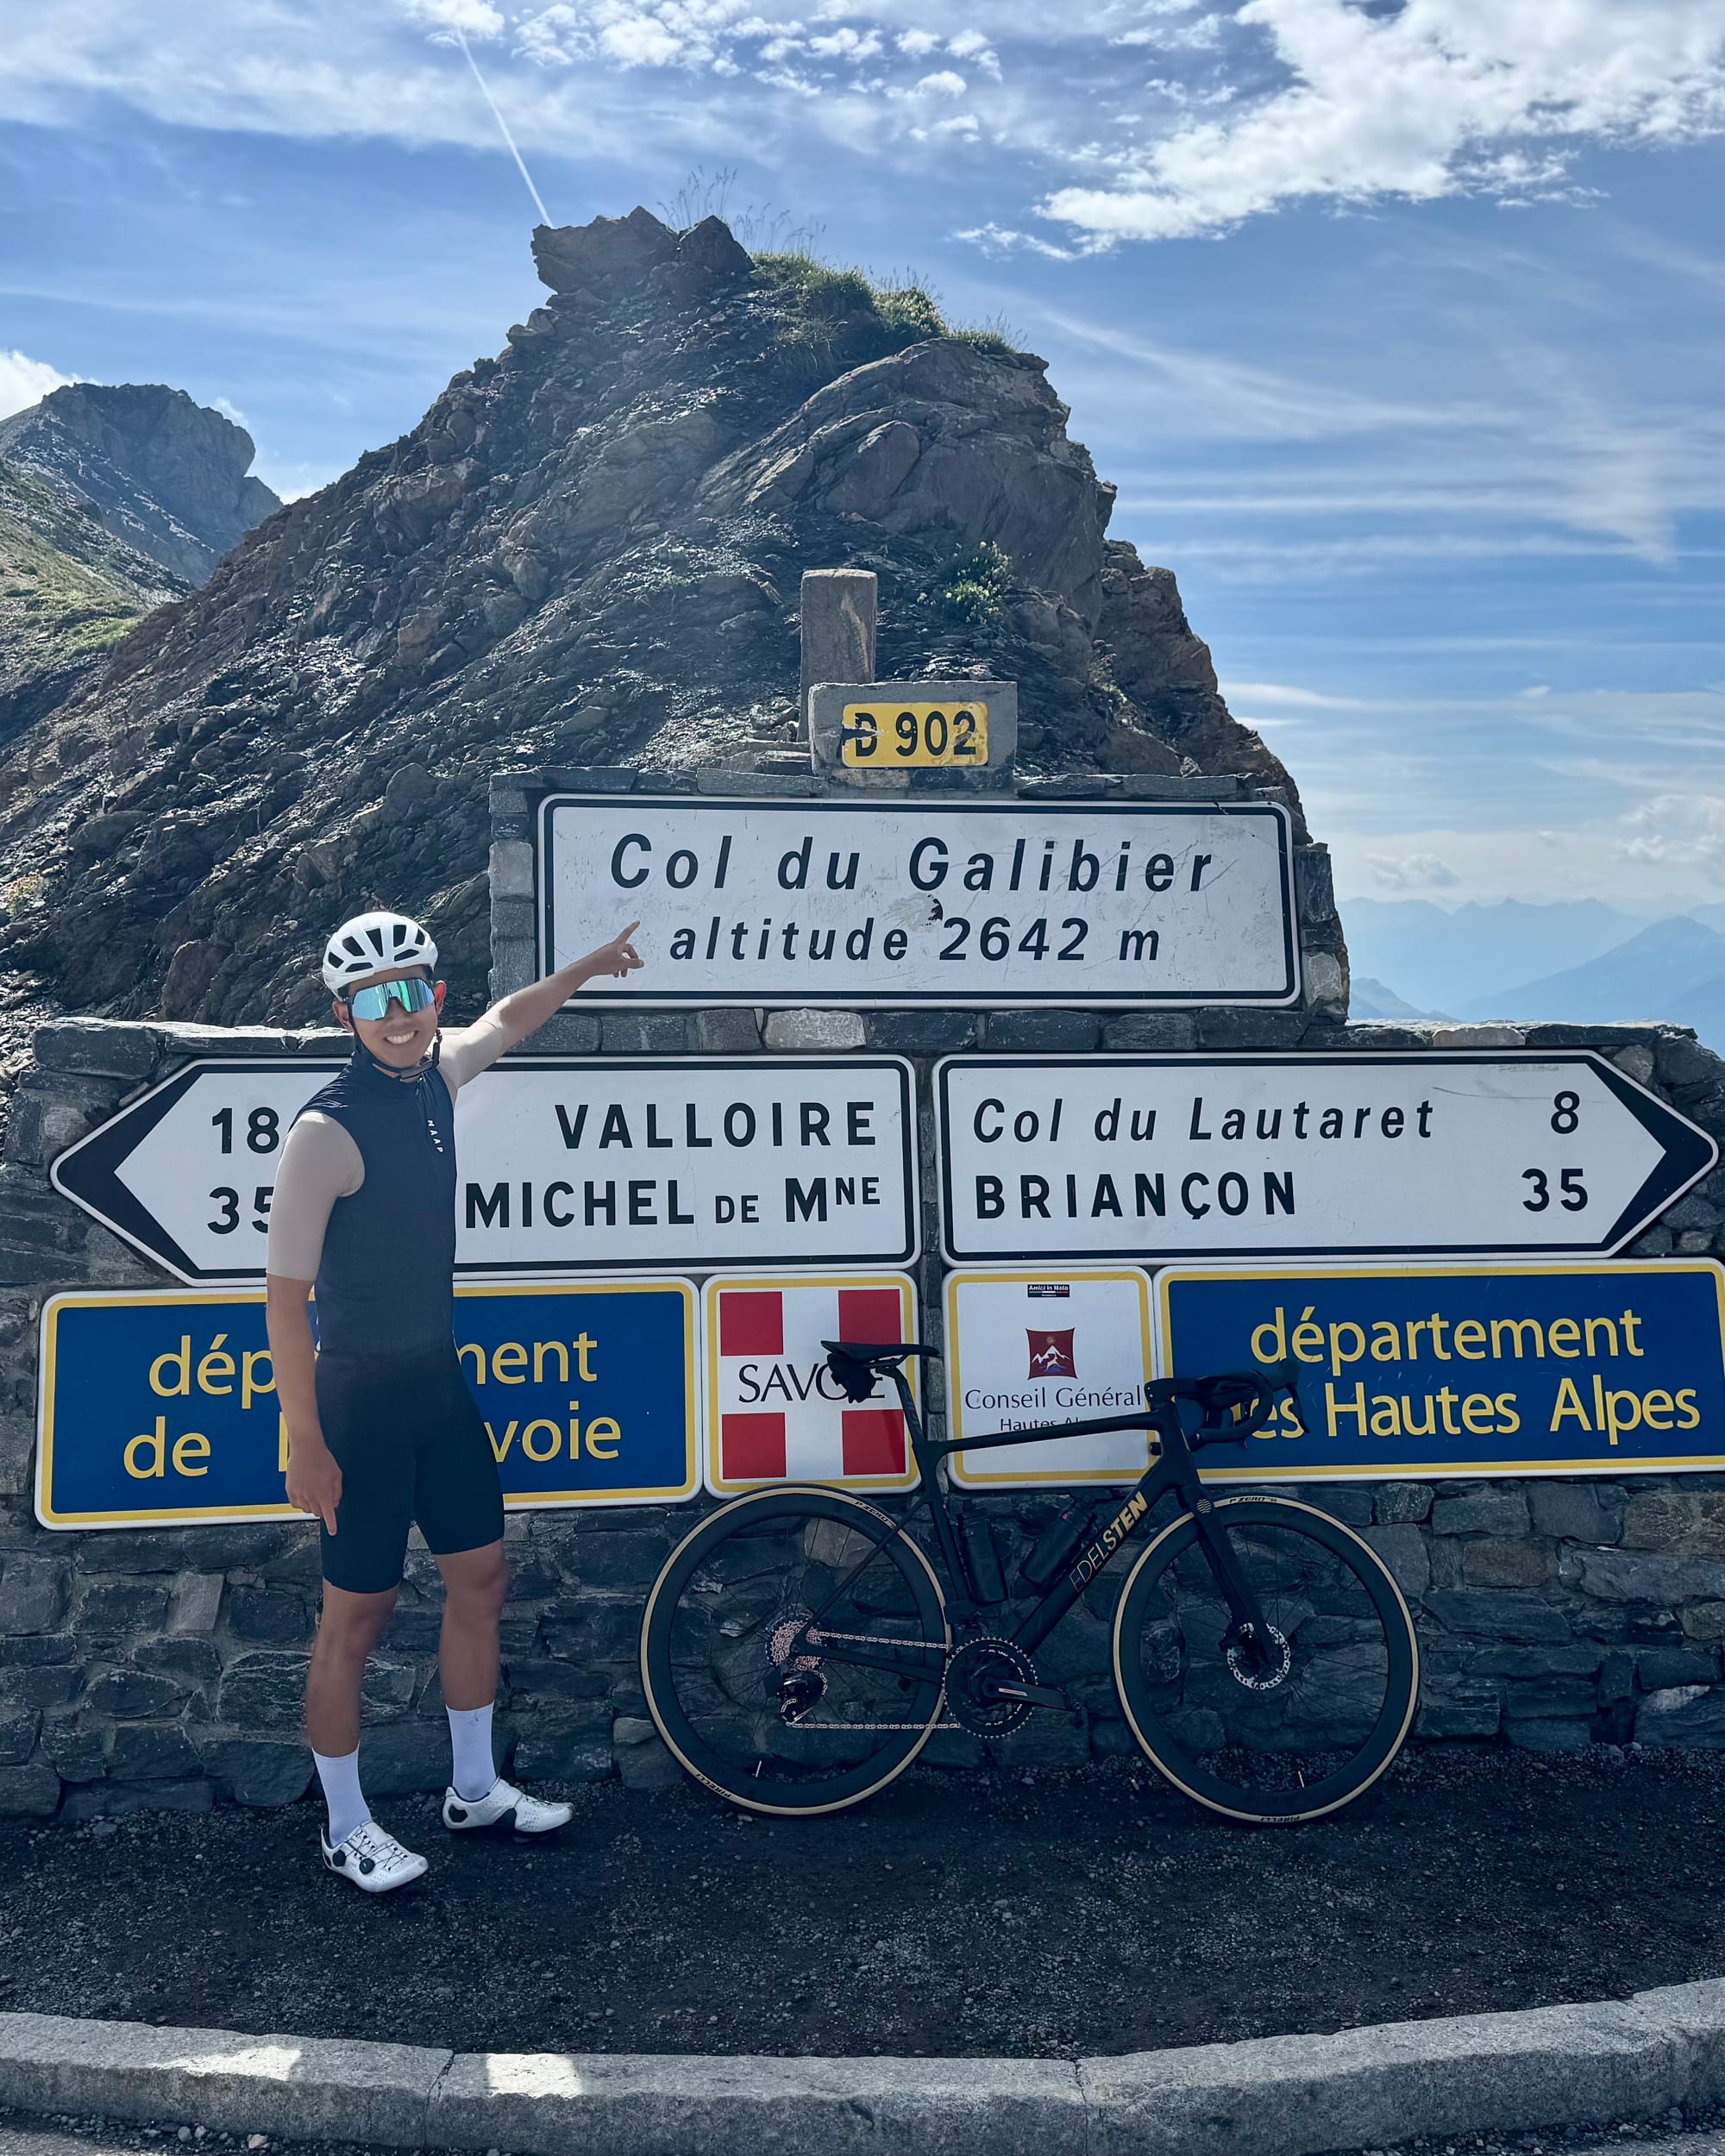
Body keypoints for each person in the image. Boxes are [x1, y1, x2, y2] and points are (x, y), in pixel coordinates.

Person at [266, 906, 643, 1892]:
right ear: (344, 1013)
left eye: (415, 993)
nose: (400, 1016)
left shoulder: (435, 1075)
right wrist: (304, 1440)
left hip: (437, 1382)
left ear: (434, 994)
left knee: (481, 1580)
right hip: (358, 1400)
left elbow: (508, 1018)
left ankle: (473, 1789)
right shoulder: (324, 1133)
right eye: (375, 1001)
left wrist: (589, 965)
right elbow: (283, 1300)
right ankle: (345, 1826)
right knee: (357, 1616)